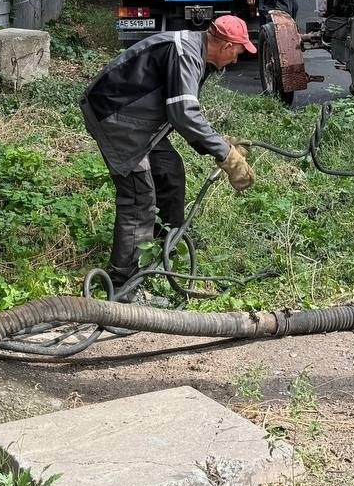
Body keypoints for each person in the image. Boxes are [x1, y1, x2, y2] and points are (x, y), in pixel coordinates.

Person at [79, 15, 257, 298]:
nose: (236, 60)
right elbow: (183, 113)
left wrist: (217, 142)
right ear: (225, 45)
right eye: (237, 51)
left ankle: (162, 254)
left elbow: (182, 108)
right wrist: (226, 155)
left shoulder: (194, 51)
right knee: (139, 199)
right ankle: (124, 285)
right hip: (116, 118)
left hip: (140, 120)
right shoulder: (185, 53)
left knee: (169, 172)